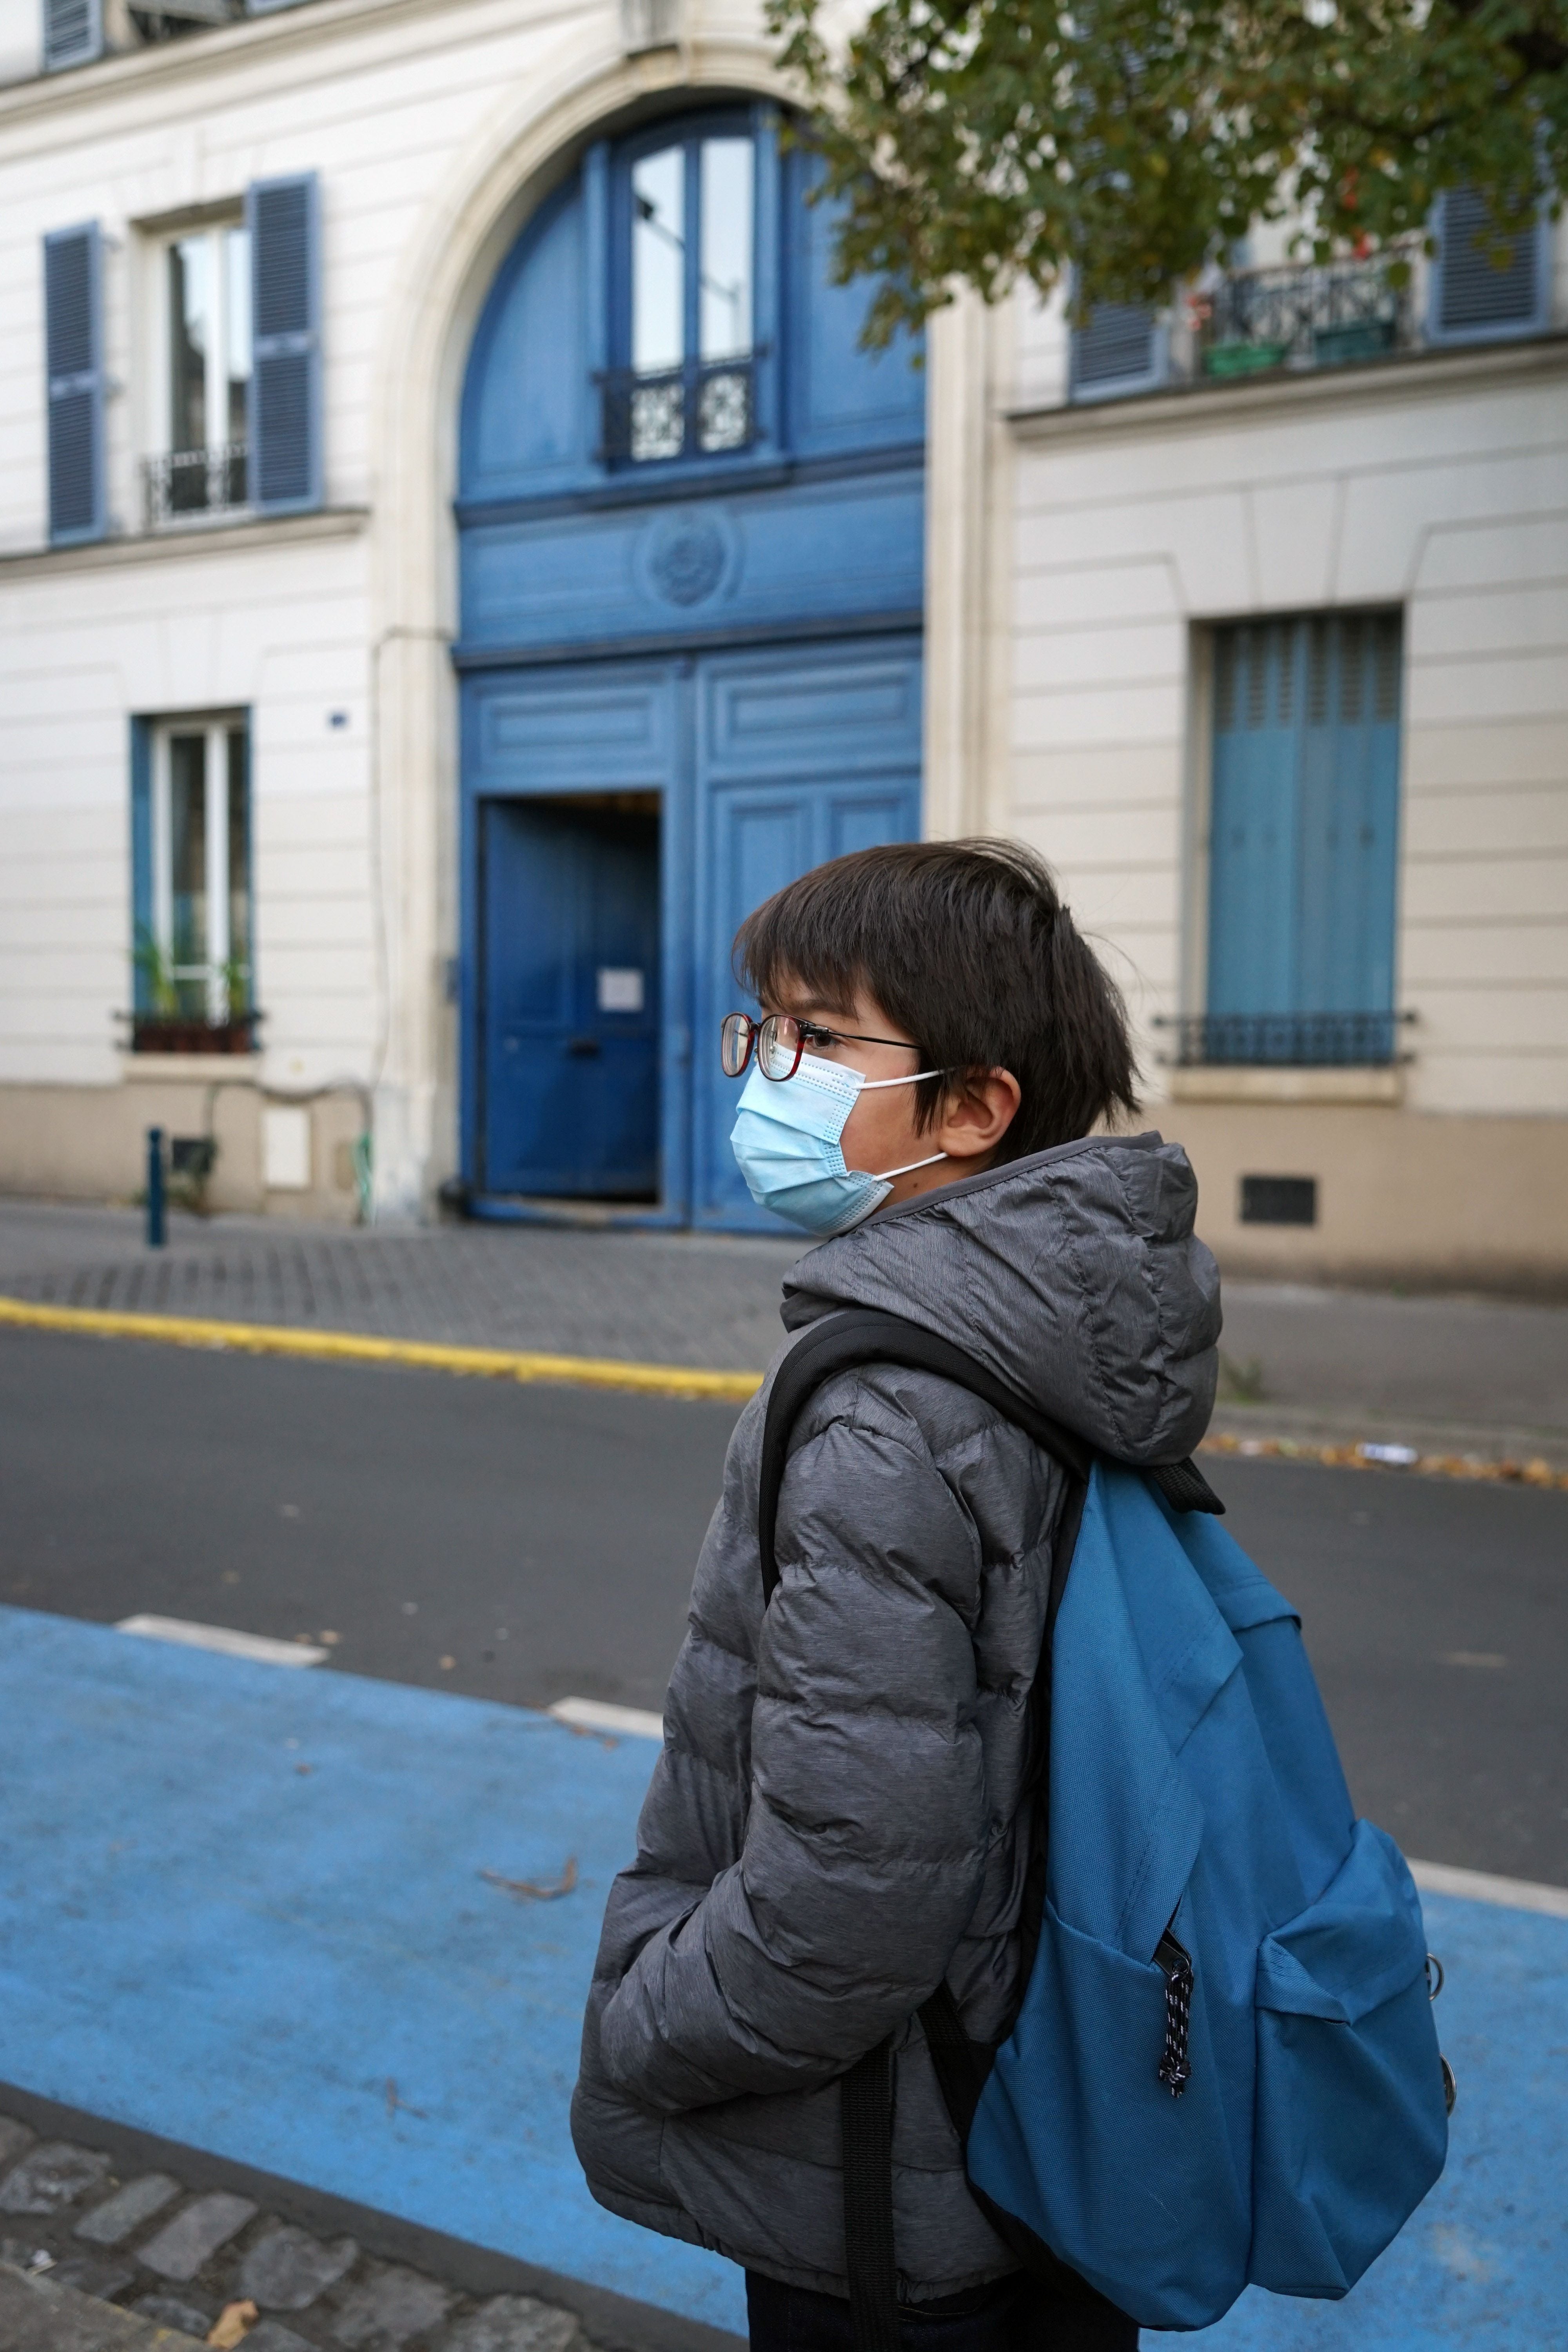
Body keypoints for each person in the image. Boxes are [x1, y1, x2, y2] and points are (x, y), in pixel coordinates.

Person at [572, 840, 1221, 2352]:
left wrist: (642, 2026)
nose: (764, 1072)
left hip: (892, 2177)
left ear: (973, 1107)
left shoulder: (881, 1411)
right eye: (763, 1030)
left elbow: (850, 1909)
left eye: (813, 1038)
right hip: (1062, 2112)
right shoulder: (1066, 1341)